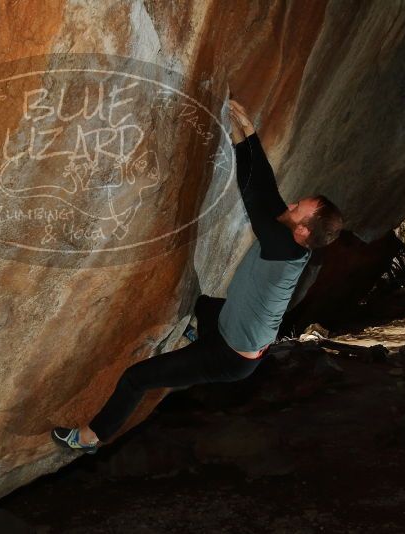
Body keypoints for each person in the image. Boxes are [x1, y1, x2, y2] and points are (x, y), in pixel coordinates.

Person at [52, 99, 344, 453]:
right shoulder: (291, 238)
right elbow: (269, 193)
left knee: (136, 378)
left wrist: (243, 140)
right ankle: (199, 335)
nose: (293, 204)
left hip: (230, 357)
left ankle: (90, 437)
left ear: (303, 233)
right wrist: (248, 135)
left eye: (300, 208)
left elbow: (254, 195)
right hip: (230, 329)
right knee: (204, 305)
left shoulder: (284, 246)